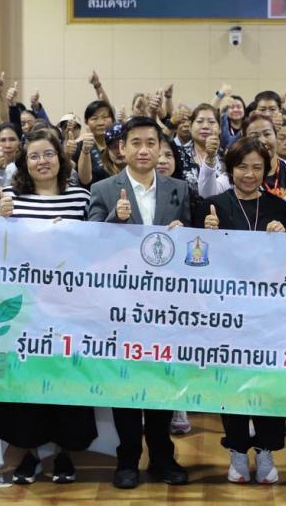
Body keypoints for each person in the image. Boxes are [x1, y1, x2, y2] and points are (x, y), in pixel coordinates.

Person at [86, 117, 191, 489]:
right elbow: (91, 243)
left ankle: (163, 457)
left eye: (151, 142)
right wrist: (115, 219)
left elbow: (195, 247)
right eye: (136, 143)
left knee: (162, 380)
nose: (144, 150)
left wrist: (188, 233)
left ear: (161, 148)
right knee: (125, 382)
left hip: (166, 306)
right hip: (121, 306)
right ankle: (127, 459)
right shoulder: (103, 189)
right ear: (122, 148)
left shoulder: (179, 189)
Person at [0, 129, 97, 485]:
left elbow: (97, 246)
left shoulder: (81, 198)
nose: (42, 161)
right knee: (25, 382)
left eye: (48, 154)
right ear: (24, 162)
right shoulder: (9, 199)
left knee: (66, 378)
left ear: (60, 159)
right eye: (34, 156)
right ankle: (30, 454)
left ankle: (65, 453)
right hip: (24, 309)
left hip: (70, 307)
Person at [196, 137, 286, 485]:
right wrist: (203, 233)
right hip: (227, 313)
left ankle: (266, 451)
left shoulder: (279, 208)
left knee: (269, 382)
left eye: (257, 168)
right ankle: (237, 449)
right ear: (230, 169)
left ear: (267, 170)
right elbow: (195, 259)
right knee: (232, 381)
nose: (249, 174)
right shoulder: (212, 206)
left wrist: (284, 236)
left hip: (269, 314)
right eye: (242, 167)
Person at [178, 105, 228, 196]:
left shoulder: (227, 157)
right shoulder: (178, 154)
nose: (205, 126)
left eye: (211, 122)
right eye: (200, 121)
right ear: (190, 126)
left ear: (220, 128)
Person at [76, 100, 116, 187]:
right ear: (86, 121)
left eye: (105, 117)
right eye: (94, 118)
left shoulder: (119, 145)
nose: (100, 123)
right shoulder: (80, 146)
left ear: (113, 120)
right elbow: (84, 180)